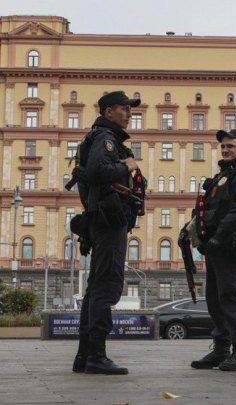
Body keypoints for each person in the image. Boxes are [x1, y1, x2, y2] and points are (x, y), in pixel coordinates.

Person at [72, 90, 141, 375]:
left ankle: (85, 355)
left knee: (95, 288)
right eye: (124, 109)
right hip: (110, 219)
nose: (130, 114)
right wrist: (127, 165)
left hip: (102, 218)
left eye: (130, 109)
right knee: (107, 286)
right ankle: (96, 356)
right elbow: (99, 171)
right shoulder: (106, 139)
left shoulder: (99, 137)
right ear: (108, 112)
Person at [190, 129, 236, 372]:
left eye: (230, 146)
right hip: (213, 245)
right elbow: (208, 209)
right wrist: (191, 230)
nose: (225, 150)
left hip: (228, 243)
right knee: (214, 297)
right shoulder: (224, 175)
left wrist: (220, 236)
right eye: (223, 147)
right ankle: (221, 349)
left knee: (230, 295)